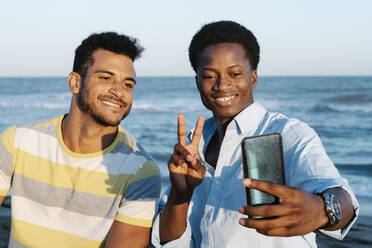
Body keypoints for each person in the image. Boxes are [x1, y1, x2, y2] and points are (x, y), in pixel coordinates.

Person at [151, 21, 359, 247]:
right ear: (197, 82)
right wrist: (181, 195)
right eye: (210, 75)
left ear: (254, 77)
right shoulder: (194, 146)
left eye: (235, 73)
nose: (222, 85)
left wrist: (323, 211)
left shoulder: (287, 133)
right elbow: (169, 241)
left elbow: (341, 197)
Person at [0, 32, 161, 247]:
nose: (119, 92)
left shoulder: (140, 171)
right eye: (106, 78)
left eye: (128, 84)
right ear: (75, 82)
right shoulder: (18, 141)